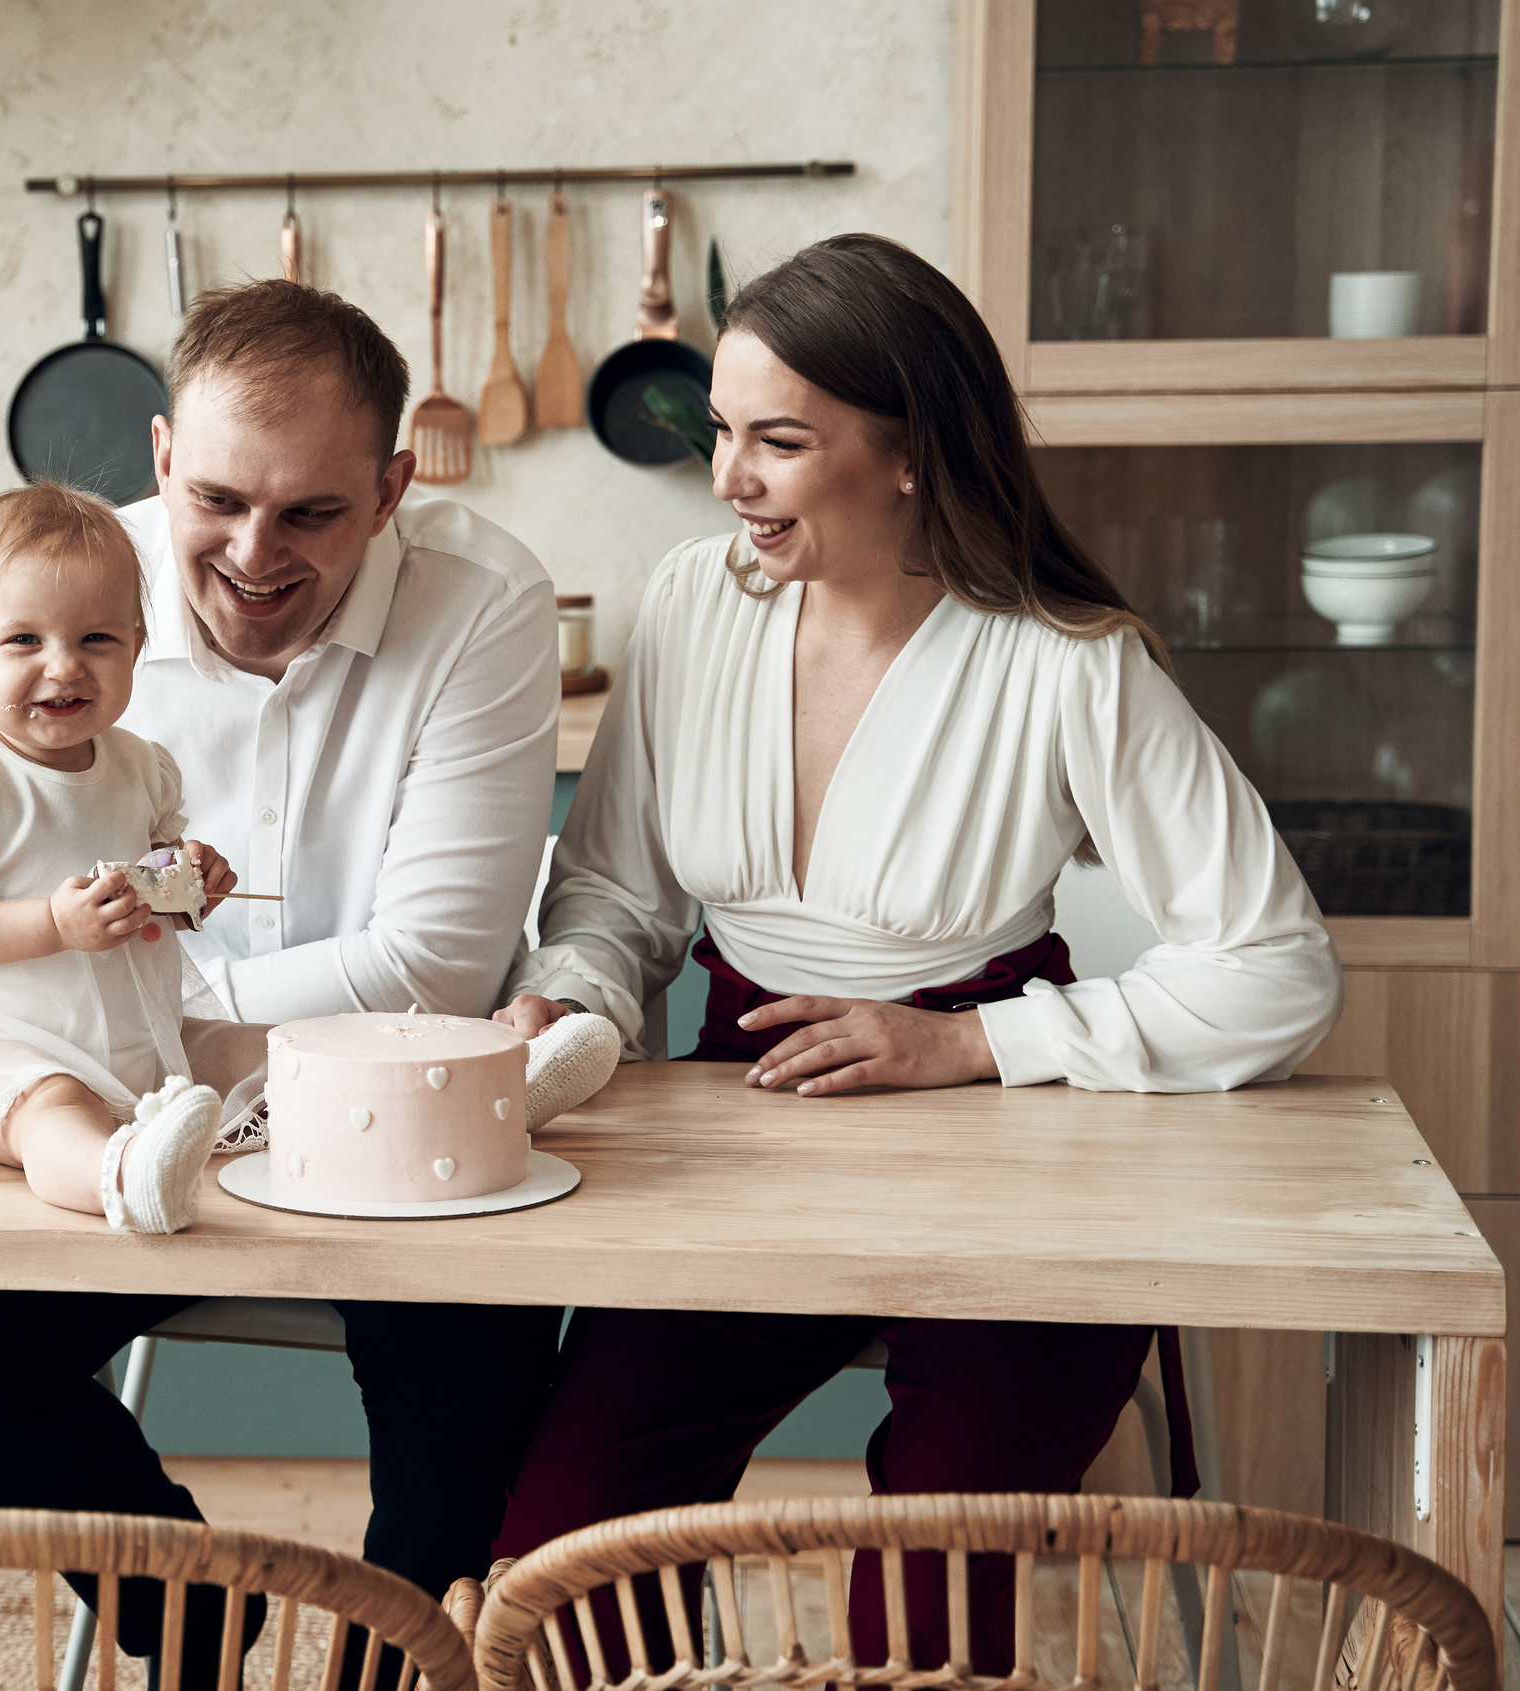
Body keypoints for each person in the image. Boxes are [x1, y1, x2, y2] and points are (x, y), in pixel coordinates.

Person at [488, 234, 1342, 1672]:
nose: (728, 479)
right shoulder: (694, 604)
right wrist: (563, 996)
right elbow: (617, 898)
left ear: (906, 454)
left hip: (1022, 1157)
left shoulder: (1070, 658)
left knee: (925, 1606)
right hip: (746, 1124)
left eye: (779, 441)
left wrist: (971, 1042)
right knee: (561, 1552)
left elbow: (1280, 965)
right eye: (721, 435)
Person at [0, 280, 564, 1685]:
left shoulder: (486, 604)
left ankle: (389, 1656)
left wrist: (165, 1015)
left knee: (469, 1406)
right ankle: (197, 1619)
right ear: (162, 458)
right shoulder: (49, 590)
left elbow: (430, 959)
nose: (252, 553)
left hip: (372, 1113)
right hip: (116, 1112)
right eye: (220, 498)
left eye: (312, 513)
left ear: (394, 486)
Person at [0, 480, 240, 1233]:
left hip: (136, 1024)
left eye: (96, 640)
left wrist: (189, 881)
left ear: (137, 648)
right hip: (12, 1048)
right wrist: (52, 921)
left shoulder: (142, 767)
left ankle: (425, 1091)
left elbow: (151, 894)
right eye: (24, 640)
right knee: (54, 1114)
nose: (64, 666)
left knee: (254, 1047)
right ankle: (124, 1173)